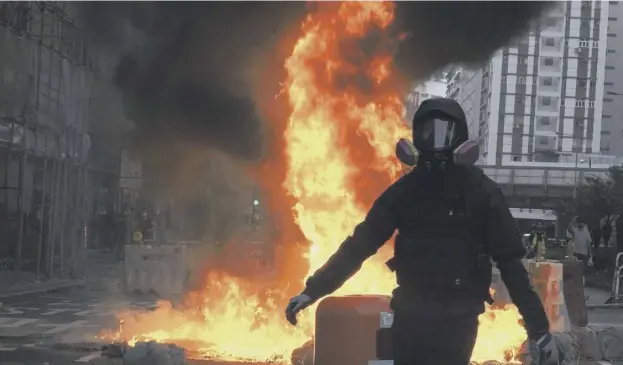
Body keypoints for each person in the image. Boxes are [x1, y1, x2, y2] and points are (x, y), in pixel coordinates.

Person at [284, 98, 559, 365]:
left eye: (445, 132)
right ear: (416, 140)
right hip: (411, 317)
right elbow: (361, 243)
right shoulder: (406, 192)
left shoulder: (480, 193)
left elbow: (511, 264)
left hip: (456, 320)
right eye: (428, 132)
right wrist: (313, 290)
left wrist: (539, 329)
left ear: (461, 139)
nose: (436, 142)